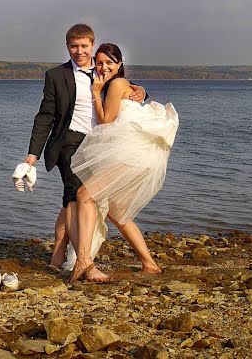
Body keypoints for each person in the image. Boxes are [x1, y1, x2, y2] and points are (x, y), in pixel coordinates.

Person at [20, 24, 147, 269]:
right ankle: (85, 263)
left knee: (75, 200)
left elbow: (124, 89)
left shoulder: (105, 70)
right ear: (67, 47)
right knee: (76, 197)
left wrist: (142, 90)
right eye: (74, 46)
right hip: (70, 141)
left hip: (102, 146)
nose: (79, 51)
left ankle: (57, 256)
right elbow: (45, 116)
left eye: (84, 46)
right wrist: (32, 154)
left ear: (92, 45)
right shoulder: (56, 76)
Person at [68, 43, 179, 283]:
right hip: (135, 153)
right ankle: (149, 264)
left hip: (132, 153)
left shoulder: (117, 84)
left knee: (84, 194)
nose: (104, 67)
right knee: (117, 211)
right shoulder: (122, 85)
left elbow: (106, 120)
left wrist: (97, 92)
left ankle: (84, 259)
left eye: (109, 62)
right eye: (99, 63)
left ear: (120, 64)